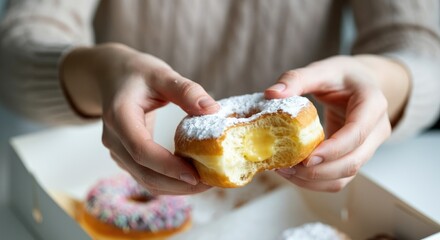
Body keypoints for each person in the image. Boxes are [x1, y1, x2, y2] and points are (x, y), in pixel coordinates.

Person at [0, 0, 439, 195]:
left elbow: (424, 49)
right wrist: (101, 71)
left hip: (305, 198)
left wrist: (381, 80)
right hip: (110, 169)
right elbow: (18, 46)